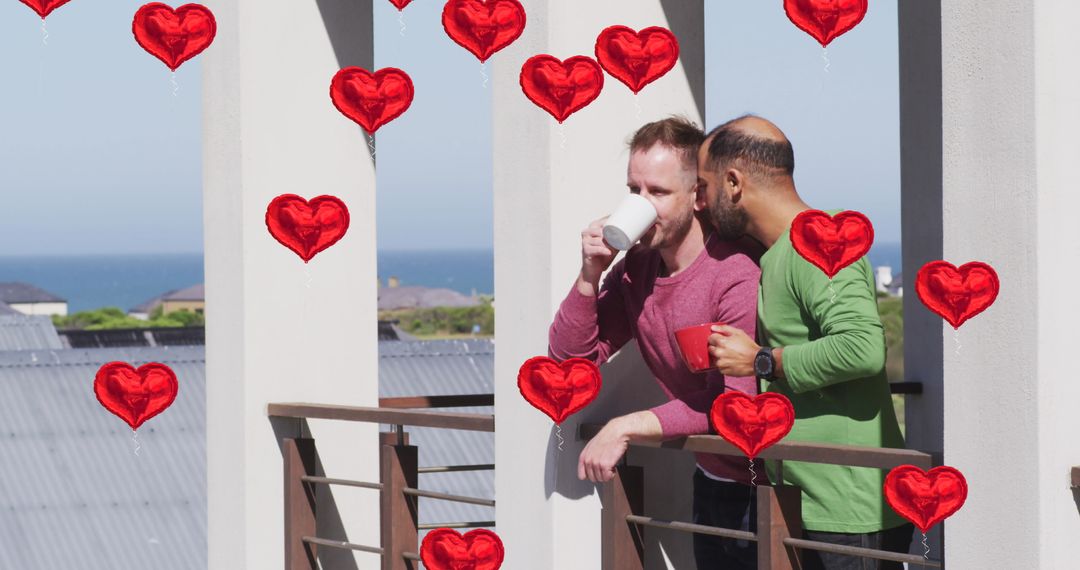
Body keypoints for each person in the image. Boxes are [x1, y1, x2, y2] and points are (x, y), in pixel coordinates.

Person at [698, 115, 913, 570]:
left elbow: (861, 346)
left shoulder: (820, 241)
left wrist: (760, 361)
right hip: (813, 501)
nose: (701, 201)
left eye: (705, 185)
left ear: (733, 183)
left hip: (852, 512)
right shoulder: (780, 253)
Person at [547, 116, 762, 569]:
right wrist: (590, 275)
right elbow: (570, 361)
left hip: (765, 490)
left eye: (657, 193)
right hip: (712, 478)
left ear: (699, 196)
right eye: (633, 190)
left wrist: (626, 425)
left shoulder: (734, 274)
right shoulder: (636, 269)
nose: (641, 204)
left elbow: (733, 404)